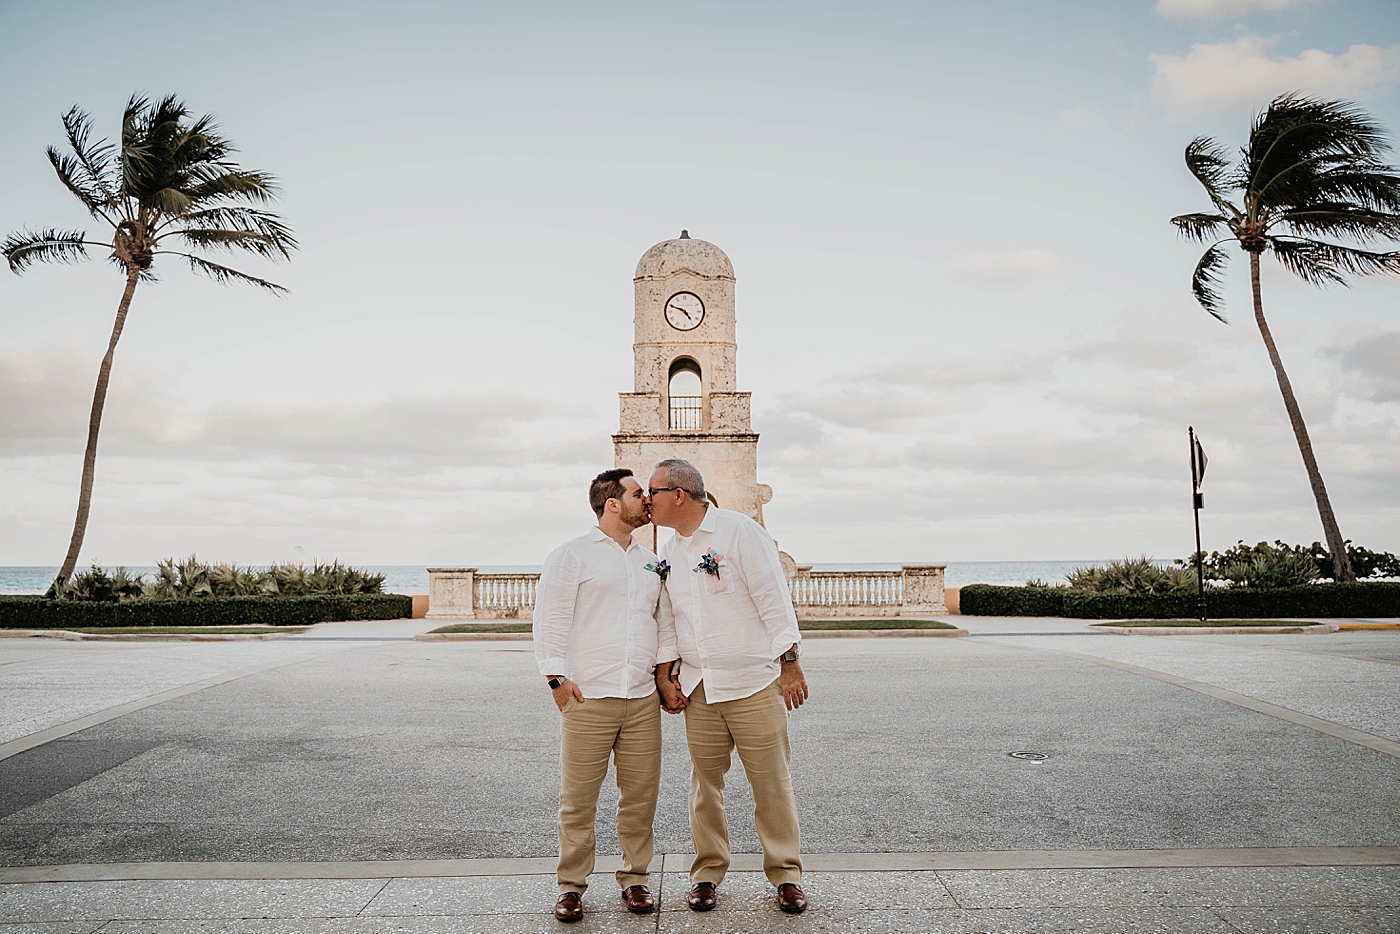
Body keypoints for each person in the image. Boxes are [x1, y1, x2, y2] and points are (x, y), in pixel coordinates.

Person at [648, 458, 810, 915]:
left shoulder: (739, 533)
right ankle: (707, 872)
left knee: (772, 785)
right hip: (700, 689)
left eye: (653, 491)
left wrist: (791, 664)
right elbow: (671, 621)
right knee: (705, 787)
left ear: (678, 494)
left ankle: (786, 874)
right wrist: (667, 675)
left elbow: (773, 598)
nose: (647, 500)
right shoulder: (671, 552)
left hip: (753, 684)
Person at [533, 468, 670, 923]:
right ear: (613, 503)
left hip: (641, 697)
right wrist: (556, 678)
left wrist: (664, 674)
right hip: (588, 696)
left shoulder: (650, 559)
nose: (646, 499)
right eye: (637, 494)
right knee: (578, 799)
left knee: (640, 796)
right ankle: (571, 886)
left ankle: (635, 880)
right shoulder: (571, 555)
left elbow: (662, 622)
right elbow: (549, 618)